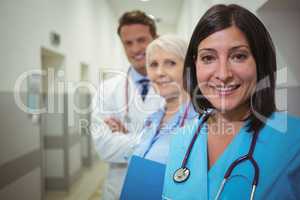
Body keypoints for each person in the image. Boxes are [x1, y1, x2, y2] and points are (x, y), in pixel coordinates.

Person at [163, 4, 300, 200]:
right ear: (195, 65)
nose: (223, 74)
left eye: (238, 56)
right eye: (208, 58)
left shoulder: (294, 142)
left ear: (260, 62)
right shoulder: (181, 139)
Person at [91, 10, 163, 200]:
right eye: (128, 43)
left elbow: (183, 145)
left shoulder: (179, 86)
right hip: (120, 187)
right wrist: (158, 140)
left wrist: (126, 138)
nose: (135, 49)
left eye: (141, 40)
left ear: (155, 39)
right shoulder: (107, 89)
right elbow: (104, 147)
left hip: (164, 186)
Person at [120, 35, 199, 199]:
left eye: (170, 63)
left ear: (188, 68)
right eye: (153, 64)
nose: (159, 72)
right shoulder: (152, 119)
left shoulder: (200, 122)